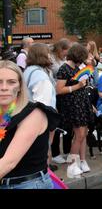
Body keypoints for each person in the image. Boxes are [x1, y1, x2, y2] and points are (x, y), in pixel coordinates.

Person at [0, 60, 60, 189]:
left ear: (20, 86)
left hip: (28, 185)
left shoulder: (33, 114)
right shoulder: (3, 113)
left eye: (11, 82)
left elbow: (8, 162)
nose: (4, 87)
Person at [55, 43, 93, 178]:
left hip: (82, 103)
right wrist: (77, 86)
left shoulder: (77, 68)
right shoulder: (64, 69)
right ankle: (72, 164)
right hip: (73, 106)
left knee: (84, 134)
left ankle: (82, 161)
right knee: (79, 135)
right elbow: (59, 90)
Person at [23, 43, 58, 171]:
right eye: (48, 53)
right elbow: (43, 104)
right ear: (43, 55)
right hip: (40, 120)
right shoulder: (39, 75)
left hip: (27, 117)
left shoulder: (28, 70)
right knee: (44, 149)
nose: (51, 56)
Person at [49, 38, 73, 165]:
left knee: (67, 124)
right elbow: (58, 73)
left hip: (65, 95)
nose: (67, 54)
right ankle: (55, 153)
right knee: (57, 124)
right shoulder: (51, 59)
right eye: (66, 51)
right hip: (56, 94)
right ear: (61, 49)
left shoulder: (63, 59)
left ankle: (67, 151)